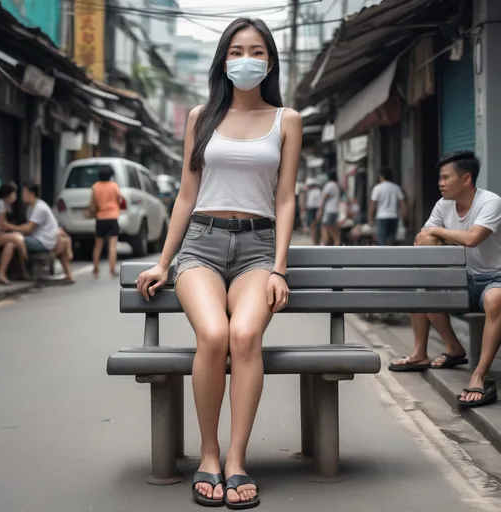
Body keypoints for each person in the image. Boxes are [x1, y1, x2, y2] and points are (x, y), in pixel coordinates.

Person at [135, 18, 302, 509]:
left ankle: (236, 459)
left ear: (269, 61)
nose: (243, 59)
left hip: (257, 248)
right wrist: (164, 262)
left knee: (245, 336)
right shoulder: (200, 115)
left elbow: (287, 198)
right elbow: (187, 196)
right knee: (212, 335)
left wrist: (278, 267)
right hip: (202, 245)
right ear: (223, 60)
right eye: (234, 51)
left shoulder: (286, 119)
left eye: (254, 51)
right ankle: (208, 455)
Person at [389, 151, 501, 409]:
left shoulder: (490, 203)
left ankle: (478, 375)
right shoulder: (443, 205)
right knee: (422, 285)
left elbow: (473, 239)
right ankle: (434, 350)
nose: (440, 183)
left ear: (466, 179)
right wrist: (433, 237)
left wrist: (438, 232)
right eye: (440, 178)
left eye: (445, 177)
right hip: (464, 277)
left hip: (494, 279)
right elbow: (422, 239)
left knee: (496, 299)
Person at [13, 182, 75, 284]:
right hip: (47, 238)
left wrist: (10, 227)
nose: (22, 196)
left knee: (13, 241)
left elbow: (29, 228)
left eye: (24, 192)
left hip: (44, 241)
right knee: (16, 238)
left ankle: (23, 273)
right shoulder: (32, 207)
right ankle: (69, 275)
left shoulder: (39, 208)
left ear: (31, 193)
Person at [0, 182, 29, 284]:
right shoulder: (1, 204)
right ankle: (25, 258)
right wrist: (16, 228)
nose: (15, 196)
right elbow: (2, 224)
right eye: (14, 193)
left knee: (11, 245)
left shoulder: (5, 205)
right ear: (8, 194)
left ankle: (2, 274)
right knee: (18, 238)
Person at [87, 165, 121, 277]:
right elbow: (120, 199)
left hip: (100, 218)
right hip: (112, 217)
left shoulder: (95, 187)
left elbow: (93, 203)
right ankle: (112, 269)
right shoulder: (114, 186)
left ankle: (95, 268)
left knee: (98, 245)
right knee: (112, 245)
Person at [369, 167, 406, 246]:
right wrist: (405, 218)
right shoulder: (396, 188)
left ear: (381, 176)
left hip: (381, 217)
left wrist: (371, 219)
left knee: (381, 241)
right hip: (394, 217)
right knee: (391, 242)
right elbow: (402, 205)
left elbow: (373, 205)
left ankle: (383, 257)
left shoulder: (377, 188)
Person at [318, 170, 341, 246]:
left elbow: (325, 197)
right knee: (326, 226)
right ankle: (326, 242)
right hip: (333, 210)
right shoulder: (336, 185)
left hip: (330, 210)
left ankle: (336, 240)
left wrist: (320, 210)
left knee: (328, 226)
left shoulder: (330, 185)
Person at [304, 178, 321, 244]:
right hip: (313, 209)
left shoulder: (315, 191)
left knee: (313, 226)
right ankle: (315, 241)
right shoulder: (313, 191)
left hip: (313, 209)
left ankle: (315, 241)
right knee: (313, 226)